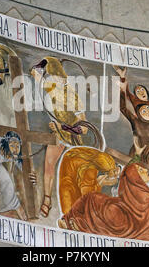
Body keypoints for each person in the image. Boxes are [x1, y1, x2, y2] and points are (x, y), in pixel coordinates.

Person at [57, 162, 149, 242]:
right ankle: (72, 221)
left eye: (142, 169)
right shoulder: (140, 190)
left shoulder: (136, 189)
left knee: (92, 200)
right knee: (91, 199)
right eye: (141, 170)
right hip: (121, 214)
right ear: (136, 177)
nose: (145, 170)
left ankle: (72, 221)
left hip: (123, 218)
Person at [30, 56, 100, 218]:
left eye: (57, 78)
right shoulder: (51, 88)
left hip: (73, 138)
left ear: (63, 79)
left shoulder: (72, 96)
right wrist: (46, 62)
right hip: (58, 134)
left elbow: (84, 128)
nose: (53, 80)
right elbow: (34, 71)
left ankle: (82, 208)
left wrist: (64, 127)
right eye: (52, 77)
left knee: (74, 175)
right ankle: (47, 200)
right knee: (48, 165)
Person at [58, 147, 120, 215]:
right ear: (104, 173)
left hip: (69, 162)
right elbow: (87, 196)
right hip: (69, 181)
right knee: (71, 210)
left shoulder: (103, 158)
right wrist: (100, 184)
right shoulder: (90, 171)